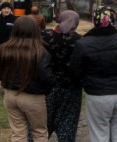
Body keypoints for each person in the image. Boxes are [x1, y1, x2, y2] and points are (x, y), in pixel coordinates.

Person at [69, 7, 117, 142]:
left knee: (99, 135)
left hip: (97, 94)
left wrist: (86, 82)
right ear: (113, 19)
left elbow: (74, 71)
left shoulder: (83, 43)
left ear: (94, 21)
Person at [0, 16, 55, 142]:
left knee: (18, 133)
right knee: (40, 133)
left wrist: (7, 80)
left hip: (10, 95)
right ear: (35, 30)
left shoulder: (2, 48)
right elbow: (47, 78)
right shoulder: (40, 52)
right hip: (33, 97)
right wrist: (44, 90)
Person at [41, 10, 83, 142]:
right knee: (68, 125)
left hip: (47, 87)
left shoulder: (45, 35)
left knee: (42, 125)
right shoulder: (80, 41)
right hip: (71, 89)